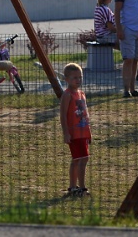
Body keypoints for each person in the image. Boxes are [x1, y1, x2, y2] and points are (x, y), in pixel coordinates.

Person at [59, 62, 91, 198]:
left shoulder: (82, 94)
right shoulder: (67, 95)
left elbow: (85, 114)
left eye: (80, 77)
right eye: (74, 78)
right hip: (74, 134)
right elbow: (63, 115)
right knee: (80, 159)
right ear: (67, 79)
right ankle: (79, 187)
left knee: (81, 159)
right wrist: (66, 132)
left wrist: (89, 133)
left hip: (83, 132)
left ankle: (75, 187)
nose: (78, 80)